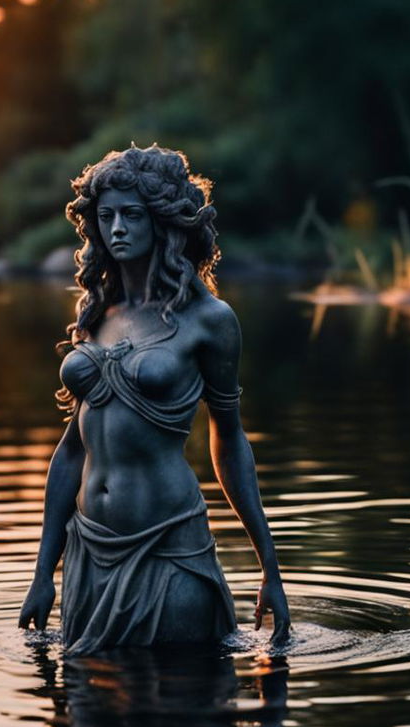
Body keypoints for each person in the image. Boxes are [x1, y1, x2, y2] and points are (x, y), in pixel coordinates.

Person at [18, 144, 291, 655]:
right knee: (88, 726)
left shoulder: (209, 320)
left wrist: (269, 569)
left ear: (162, 221)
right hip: (90, 554)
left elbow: (229, 443)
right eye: (106, 216)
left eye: (132, 214)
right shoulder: (98, 311)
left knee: (181, 714)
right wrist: (43, 573)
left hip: (168, 548)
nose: (116, 227)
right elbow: (72, 451)